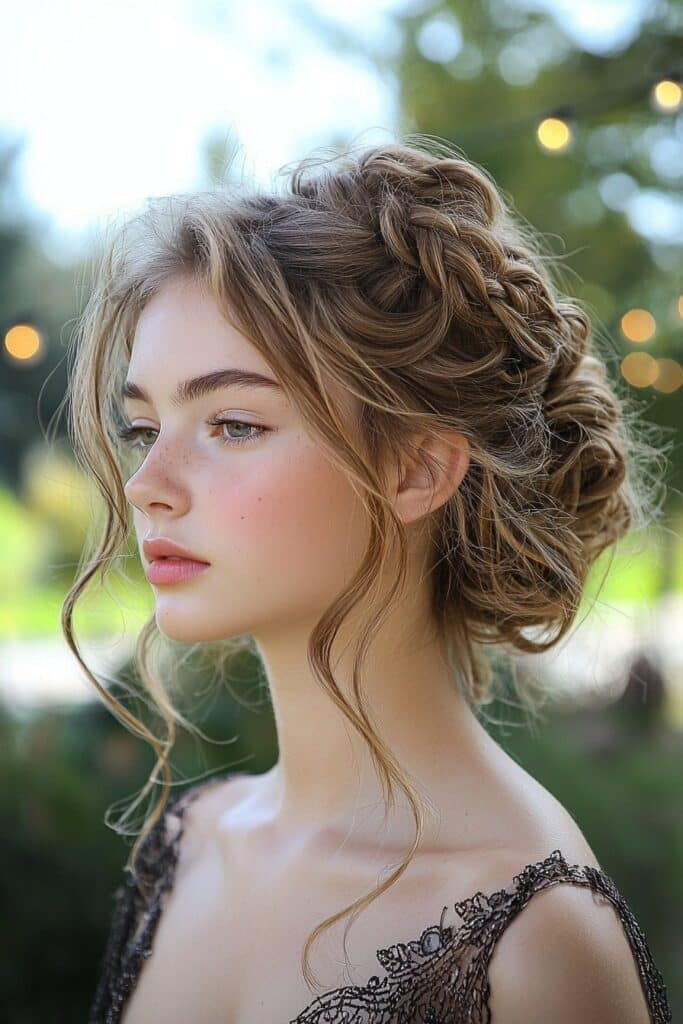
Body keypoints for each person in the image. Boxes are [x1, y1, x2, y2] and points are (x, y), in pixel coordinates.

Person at [63, 136, 672, 1022]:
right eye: (141, 428)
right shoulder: (185, 844)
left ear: (417, 468)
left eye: (232, 424)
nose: (147, 486)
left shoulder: (536, 941)